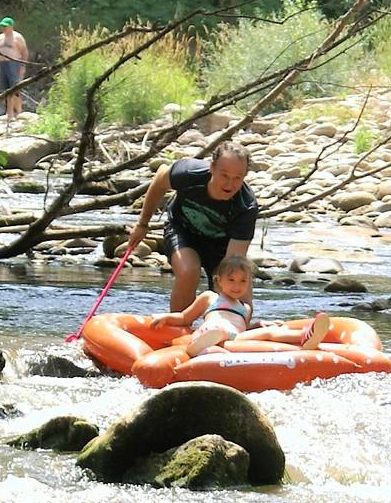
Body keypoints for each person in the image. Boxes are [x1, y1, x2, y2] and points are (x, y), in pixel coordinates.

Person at [124, 142, 259, 312]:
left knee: (237, 289)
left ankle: (227, 329)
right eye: (224, 175)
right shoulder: (189, 173)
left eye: (237, 178)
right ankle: (178, 327)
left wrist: (229, 293)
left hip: (221, 245)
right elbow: (160, 178)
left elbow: (233, 261)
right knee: (189, 272)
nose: (229, 184)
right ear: (212, 167)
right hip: (182, 230)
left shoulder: (246, 206)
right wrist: (143, 224)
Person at [147, 254, 331, 354]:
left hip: (236, 338)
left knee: (268, 332)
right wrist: (165, 317)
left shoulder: (245, 308)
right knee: (217, 330)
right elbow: (184, 317)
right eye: (232, 280)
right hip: (211, 331)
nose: (237, 286)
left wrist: (257, 325)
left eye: (243, 281)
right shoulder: (209, 297)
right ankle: (200, 345)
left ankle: (306, 337)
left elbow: (243, 329)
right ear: (218, 280)